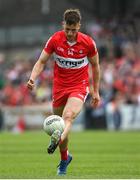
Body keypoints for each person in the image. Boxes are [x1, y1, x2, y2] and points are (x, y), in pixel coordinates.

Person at [27, 9, 101, 175]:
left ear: (79, 27)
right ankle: (64, 158)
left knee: (67, 118)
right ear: (63, 25)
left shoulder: (88, 43)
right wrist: (32, 78)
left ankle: (57, 138)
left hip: (79, 86)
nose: (70, 33)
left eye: (73, 30)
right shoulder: (55, 39)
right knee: (61, 124)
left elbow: (95, 66)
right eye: (67, 29)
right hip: (59, 87)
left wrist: (95, 91)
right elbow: (41, 61)